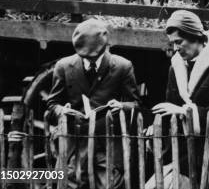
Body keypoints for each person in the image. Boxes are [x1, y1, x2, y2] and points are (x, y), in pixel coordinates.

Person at [147, 10, 209, 188]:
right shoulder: (175, 67)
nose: (175, 48)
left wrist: (185, 111)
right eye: (173, 43)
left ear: (195, 37)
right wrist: (157, 129)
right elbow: (170, 110)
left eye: (179, 42)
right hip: (180, 152)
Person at [46, 19, 141, 189]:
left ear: (104, 47)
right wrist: (62, 110)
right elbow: (52, 103)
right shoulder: (64, 66)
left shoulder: (122, 66)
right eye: (84, 57)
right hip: (74, 146)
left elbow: (135, 104)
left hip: (108, 146)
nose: (89, 60)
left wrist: (122, 106)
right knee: (69, 184)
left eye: (94, 57)